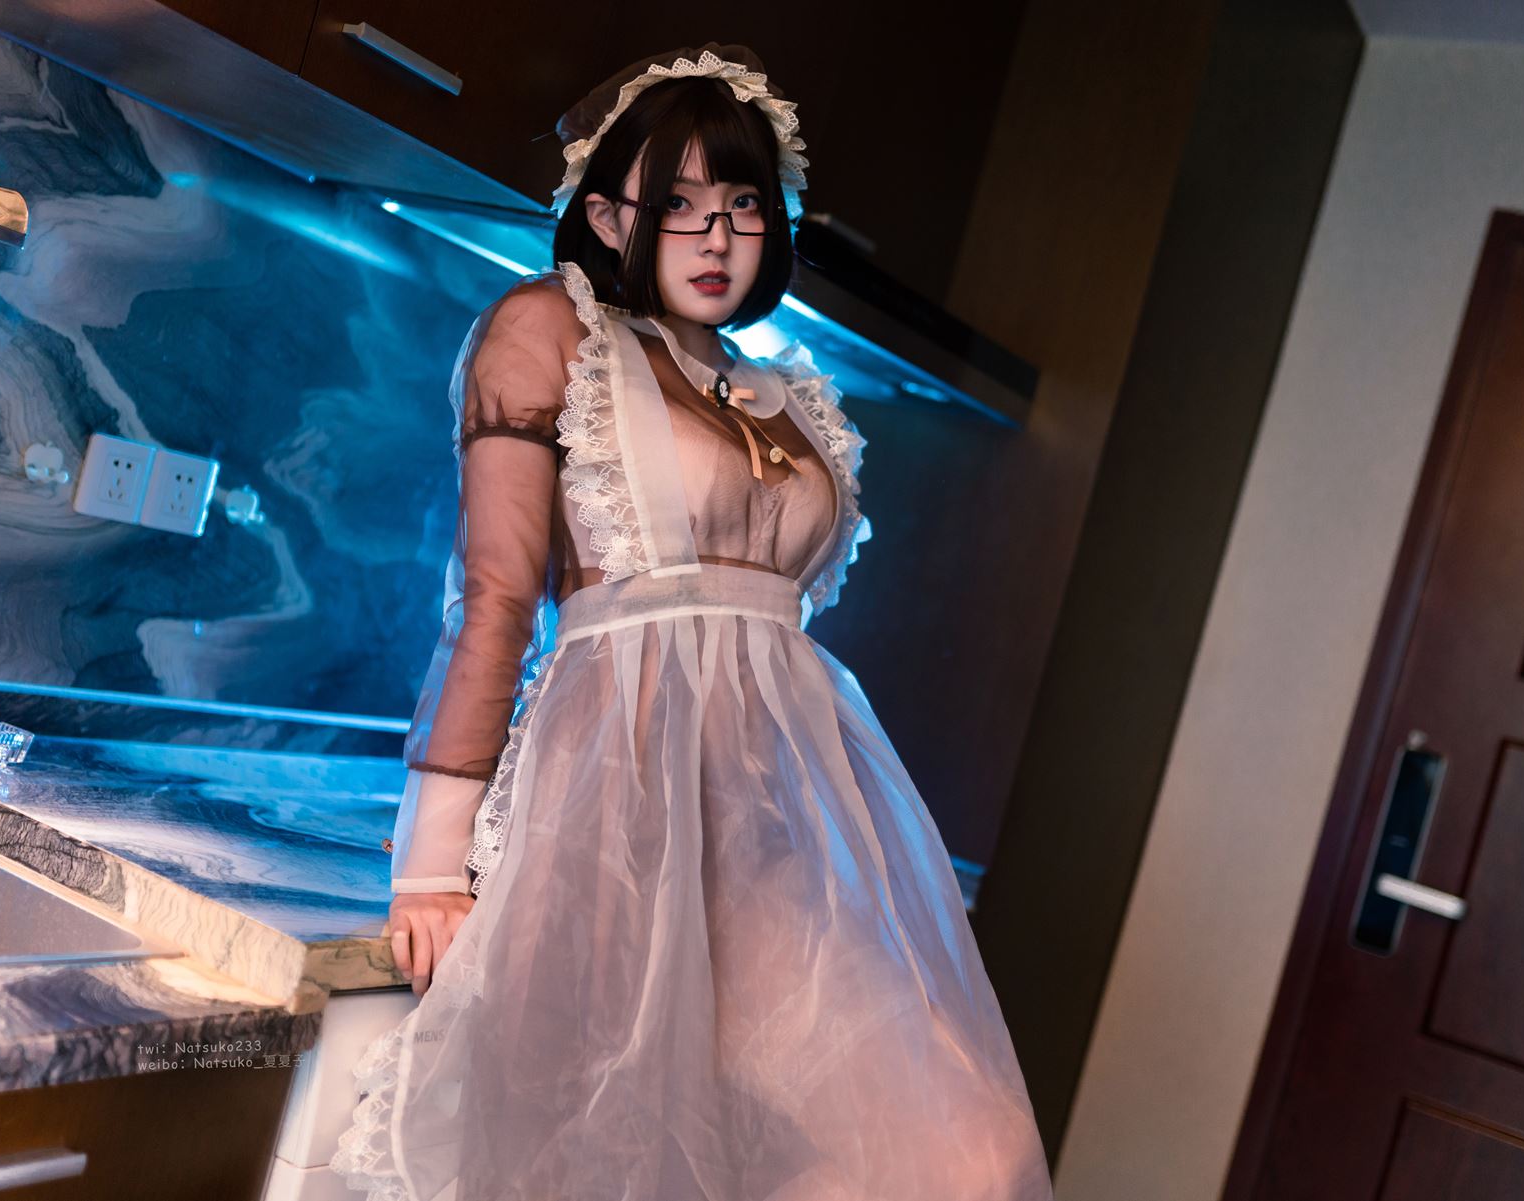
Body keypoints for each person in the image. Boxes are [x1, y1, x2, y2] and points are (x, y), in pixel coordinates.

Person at [332, 44, 1054, 1201]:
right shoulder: (549, 331)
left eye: (743, 205)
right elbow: (497, 598)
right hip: (617, 812)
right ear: (608, 215)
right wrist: (431, 867)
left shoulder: (785, 393)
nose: (717, 236)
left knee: (967, 1154)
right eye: (678, 204)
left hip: (784, 829)